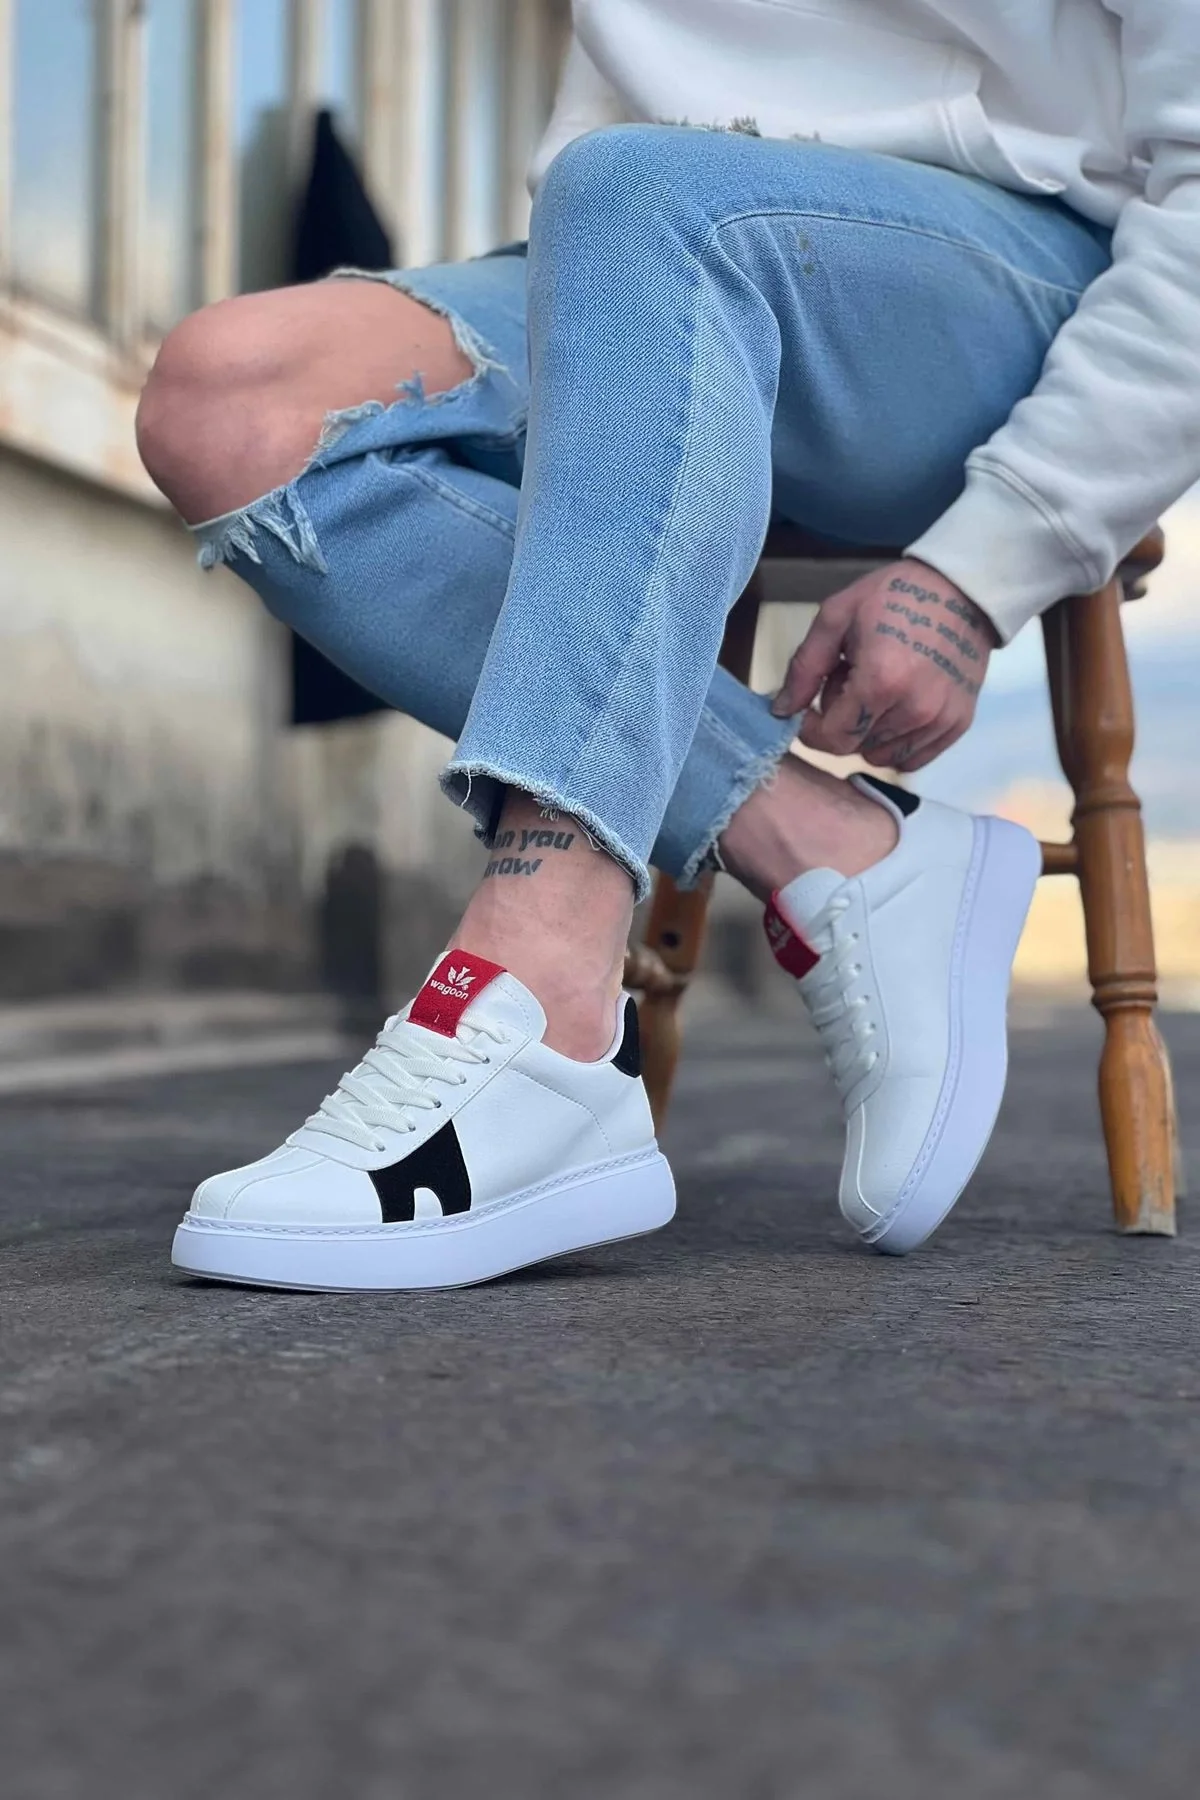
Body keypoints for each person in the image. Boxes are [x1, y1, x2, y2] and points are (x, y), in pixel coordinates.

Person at [137, 1, 1200, 1290]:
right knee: (229, 401)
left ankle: (547, 998)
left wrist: (982, 566)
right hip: (632, 250)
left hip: (997, 285)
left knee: (642, 190)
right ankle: (832, 843)